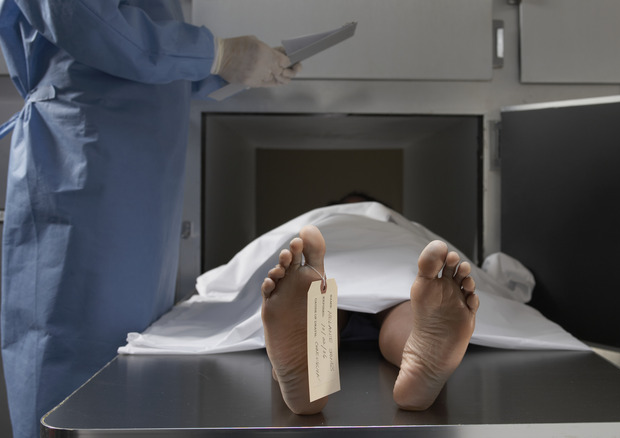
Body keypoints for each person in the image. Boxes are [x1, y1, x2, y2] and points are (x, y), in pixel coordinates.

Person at [0, 2, 300, 437]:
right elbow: (89, 22)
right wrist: (215, 54)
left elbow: (146, 57)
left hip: (137, 172)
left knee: (132, 350)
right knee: (73, 354)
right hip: (85, 160)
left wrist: (231, 69)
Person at [261, 224, 479, 413]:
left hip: (354, 280)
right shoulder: (389, 225)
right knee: (399, 305)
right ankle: (419, 361)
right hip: (389, 280)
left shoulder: (388, 223)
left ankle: (309, 360)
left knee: (327, 311)